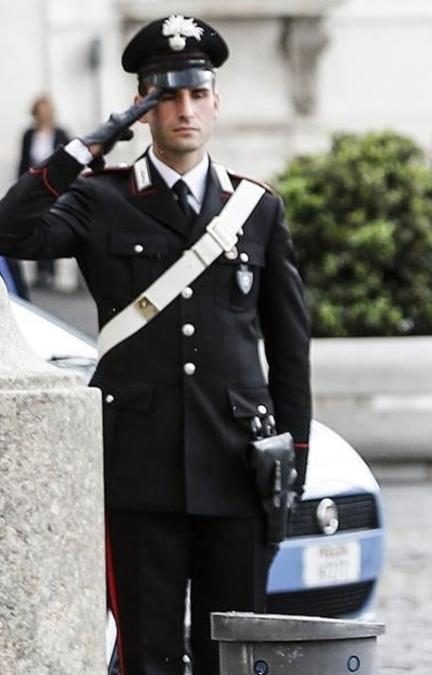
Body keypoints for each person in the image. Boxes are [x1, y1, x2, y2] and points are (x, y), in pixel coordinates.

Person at [0, 15, 311, 675]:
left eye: (198, 94)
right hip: (140, 471)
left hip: (237, 467)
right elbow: (12, 232)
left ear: (217, 103)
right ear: (143, 108)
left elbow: (289, 349)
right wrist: (86, 146)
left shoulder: (256, 208)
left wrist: (295, 464)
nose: (185, 110)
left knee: (236, 652)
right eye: (166, 96)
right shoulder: (99, 198)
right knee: (150, 657)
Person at [17, 95, 70, 290]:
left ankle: (51, 271)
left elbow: (70, 159)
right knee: (36, 225)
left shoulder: (61, 134)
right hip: (34, 186)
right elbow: (23, 162)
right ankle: (41, 271)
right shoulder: (29, 135)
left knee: (54, 224)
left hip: (56, 185)